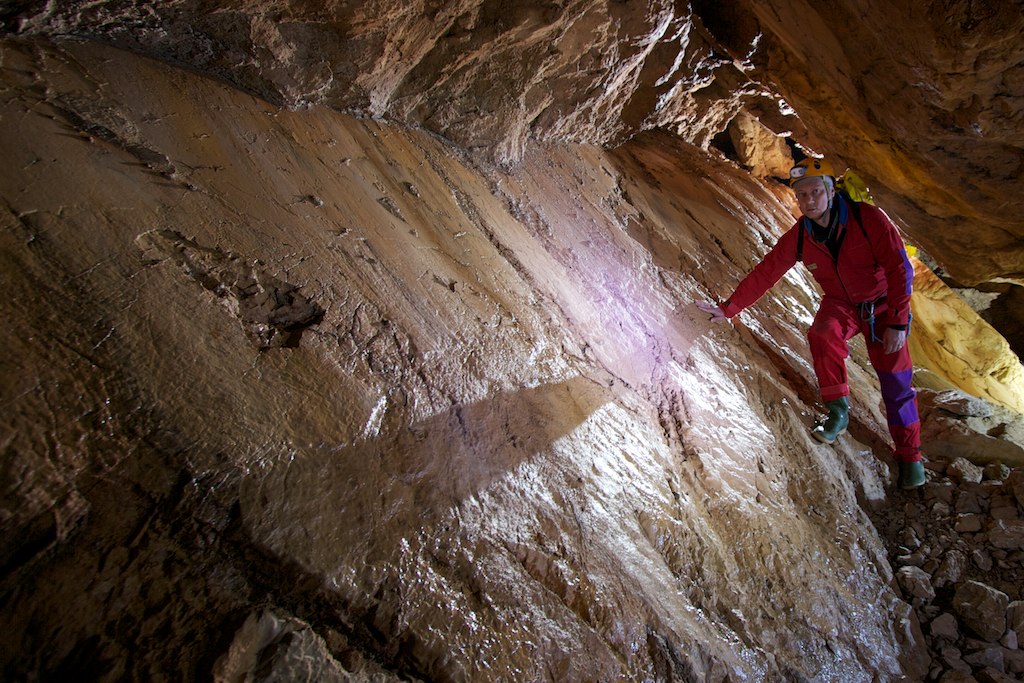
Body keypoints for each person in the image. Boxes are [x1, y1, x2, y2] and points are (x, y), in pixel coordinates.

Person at [696, 157, 926, 489]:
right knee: (822, 333)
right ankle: (838, 412)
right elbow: (768, 270)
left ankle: (910, 456)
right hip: (841, 304)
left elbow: (899, 268)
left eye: (816, 191)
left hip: (883, 305)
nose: (809, 200)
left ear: (832, 191)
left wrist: (898, 323)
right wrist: (729, 308)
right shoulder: (802, 235)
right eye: (802, 195)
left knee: (896, 382)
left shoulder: (869, 219)